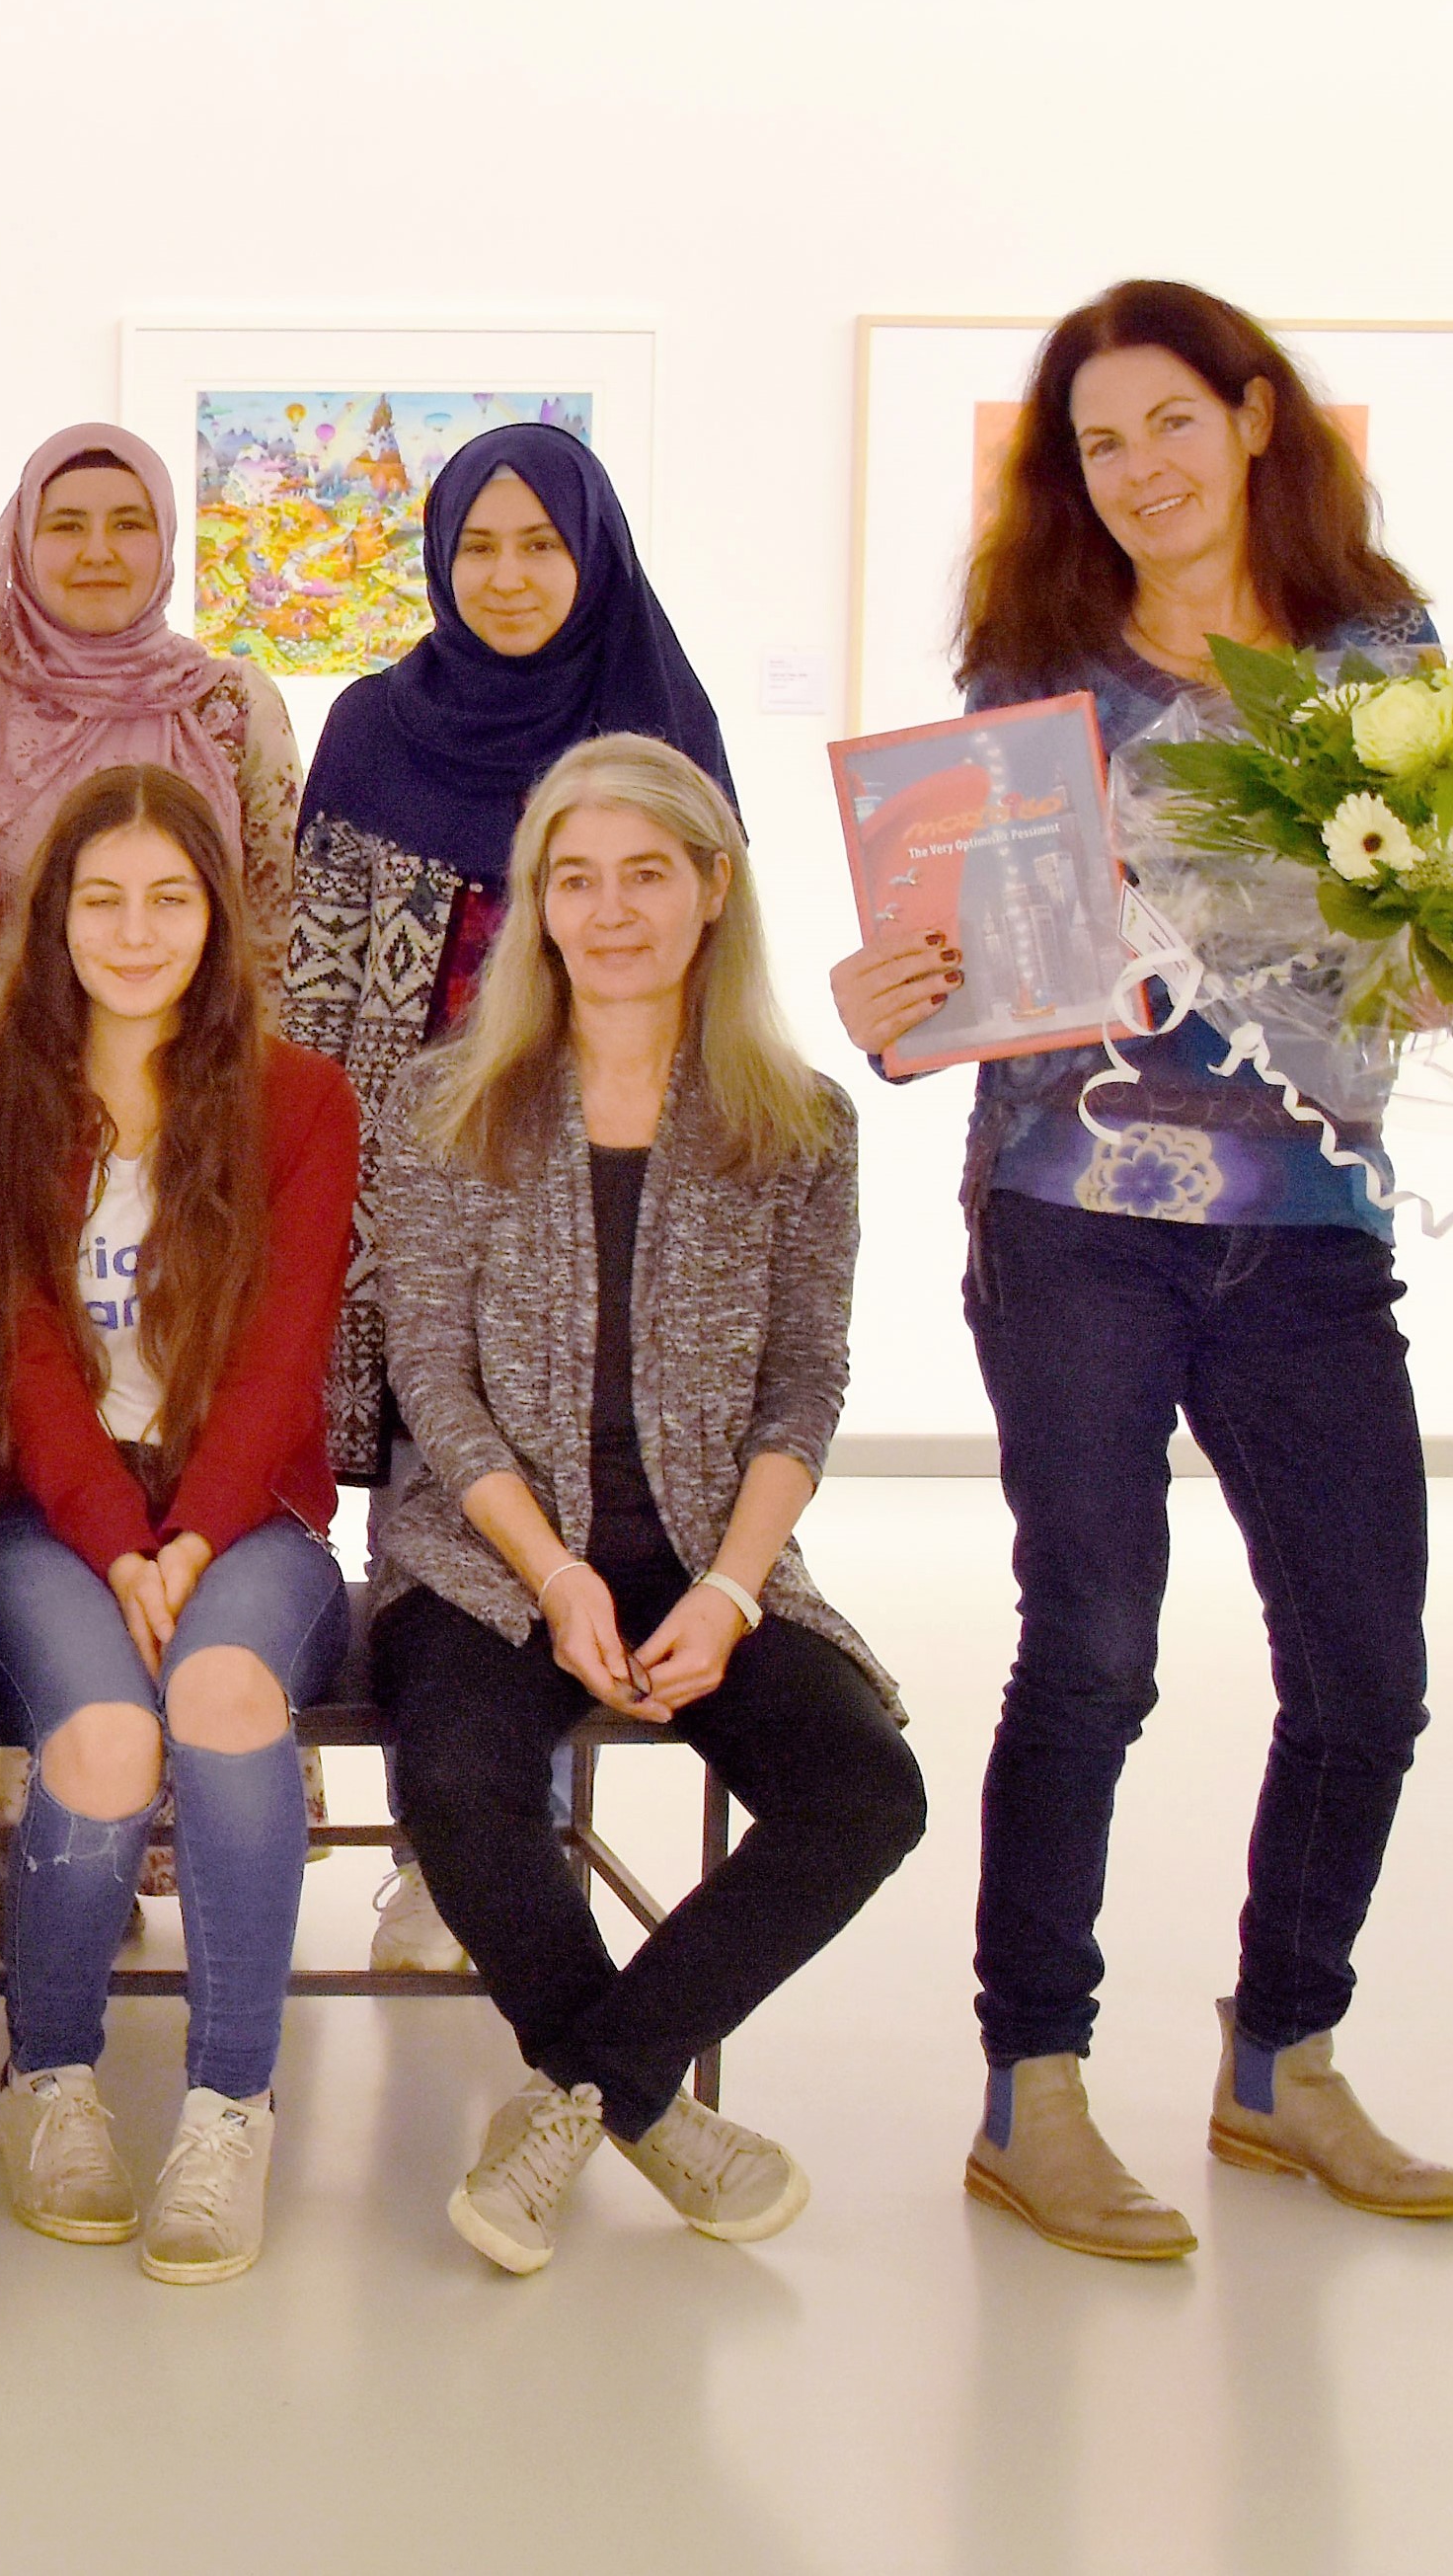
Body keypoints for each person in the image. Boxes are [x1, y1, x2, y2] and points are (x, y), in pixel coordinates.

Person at [823, 279, 1453, 2261]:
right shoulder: (1032, 671)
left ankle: (1282, 2050)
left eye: (1167, 424)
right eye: (1096, 445)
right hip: (1068, 1219)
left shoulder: (1381, 657)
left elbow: (1436, 960)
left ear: (1254, 418)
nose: (1137, 470)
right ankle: (1032, 2090)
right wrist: (879, 999)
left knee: (1365, 1667)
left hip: (1304, 1232)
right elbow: (937, 998)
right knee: (1090, 1650)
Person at [370, 737, 925, 2274]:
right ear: (536, 905)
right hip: (488, 1560)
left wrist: (732, 1590)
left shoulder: (797, 1118)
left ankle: (576, 2090)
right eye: (572, 878)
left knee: (866, 1788)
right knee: (461, 1781)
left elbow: (803, 1380)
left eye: (642, 874)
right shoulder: (444, 1102)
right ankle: (650, 2110)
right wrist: (553, 1577)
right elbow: (430, 1376)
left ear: (710, 888)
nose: (606, 911)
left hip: (705, 1553)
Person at [282, 420, 732, 1980]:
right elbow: (311, 982)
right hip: (413, 1177)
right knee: (430, 1513)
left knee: (562, 1489)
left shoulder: (658, 726)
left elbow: (714, 969)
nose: (508, 574)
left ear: (591, 550)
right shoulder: (370, 726)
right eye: (478, 544)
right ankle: (448, 1820)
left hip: (605, 1178)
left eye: (539, 543)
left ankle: (490, 1844)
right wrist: (326, 1202)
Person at [0, 762, 353, 2285]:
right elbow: (23, 1349)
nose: (133, 931)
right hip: (49, 1516)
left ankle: (226, 2102)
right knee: (106, 1736)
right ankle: (48, 2075)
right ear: (52, 917)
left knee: (224, 1690)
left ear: (217, 915)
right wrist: (117, 1538)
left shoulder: (298, 1098)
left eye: (168, 898)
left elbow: (281, 1344)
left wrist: (187, 1535)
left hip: (240, 1505)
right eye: (99, 899)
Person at [0, 423, 301, 1056]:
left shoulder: (231, 704)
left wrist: (243, 1081)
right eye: (66, 525)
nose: (97, 551)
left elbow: (272, 919)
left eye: (129, 524)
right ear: (21, 543)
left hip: (188, 1081)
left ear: (167, 543)